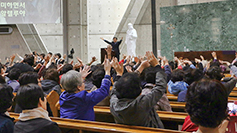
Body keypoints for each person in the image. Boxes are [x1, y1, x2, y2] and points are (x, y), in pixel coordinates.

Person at [110, 51, 165, 128]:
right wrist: (157, 66)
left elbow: (114, 91)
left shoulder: (114, 103)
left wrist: (119, 74)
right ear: (139, 92)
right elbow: (160, 87)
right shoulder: (142, 103)